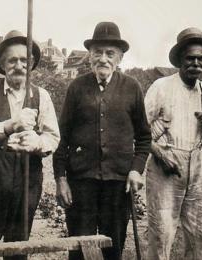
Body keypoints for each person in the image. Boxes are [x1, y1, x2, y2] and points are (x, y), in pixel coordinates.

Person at [53, 21, 151, 260]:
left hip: (118, 185)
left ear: (119, 57)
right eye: (98, 52)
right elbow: (61, 138)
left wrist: (136, 170)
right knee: (80, 248)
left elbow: (144, 137)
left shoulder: (132, 87)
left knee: (112, 247)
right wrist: (61, 179)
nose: (103, 58)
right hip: (81, 183)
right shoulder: (77, 87)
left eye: (110, 53)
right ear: (90, 56)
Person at [0, 30, 60, 260]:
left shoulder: (42, 96)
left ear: (32, 63)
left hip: (27, 181)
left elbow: (53, 137)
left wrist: (36, 143)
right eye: (12, 60)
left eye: (24, 60)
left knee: (18, 250)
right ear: (2, 63)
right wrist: (10, 125)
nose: (19, 65)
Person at [144, 27, 202, 260]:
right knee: (162, 235)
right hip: (164, 166)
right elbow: (139, 131)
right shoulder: (161, 87)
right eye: (190, 58)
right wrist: (160, 153)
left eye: (201, 59)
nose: (195, 64)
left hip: (197, 168)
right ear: (180, 59)